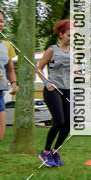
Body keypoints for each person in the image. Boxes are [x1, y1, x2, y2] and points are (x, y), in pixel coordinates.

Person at [36, 20, 72, 167]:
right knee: (59, 121)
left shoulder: (73, 51)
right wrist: (46, 82)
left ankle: (55, 151)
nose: (72, 38)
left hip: (67, 90)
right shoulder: (52, 50)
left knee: (68, 124)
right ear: (61, 34)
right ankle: (45, 152)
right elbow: (38, 68)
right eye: (69, 35)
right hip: (53, 90)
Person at [0, 8, 18, 145]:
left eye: (1, 21)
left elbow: (10, 69)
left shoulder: (7, 45)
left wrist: (14, 83)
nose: (0, 24)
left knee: (0, 134)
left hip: (0, 92)